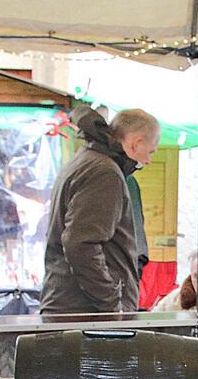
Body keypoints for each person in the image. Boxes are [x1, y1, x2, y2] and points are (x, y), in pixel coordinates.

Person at [40, 106, 160, 314]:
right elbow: (81, 244)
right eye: (150, 152)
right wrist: (113, 305)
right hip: (86, 314)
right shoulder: (105, 173)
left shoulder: (85, 160)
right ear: (137, 142)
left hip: (70, 307)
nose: (148, 161)